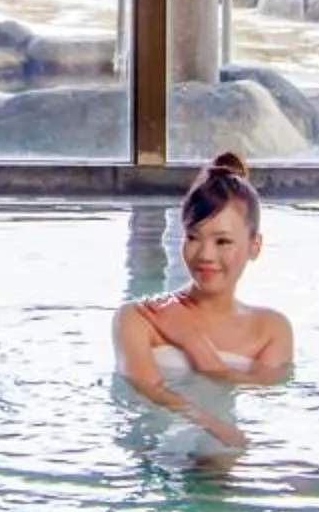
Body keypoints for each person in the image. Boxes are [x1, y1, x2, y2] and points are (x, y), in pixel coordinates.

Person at [113, 153, 295, 463]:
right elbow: (144, 387)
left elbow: (273, 394)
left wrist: (199, 351)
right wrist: (213, 426)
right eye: (193, 237)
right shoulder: (140, 317)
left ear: (255, 246)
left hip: (228, 458)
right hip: (153, 455)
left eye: (222, 241)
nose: (205, 255)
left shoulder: (271, 329)